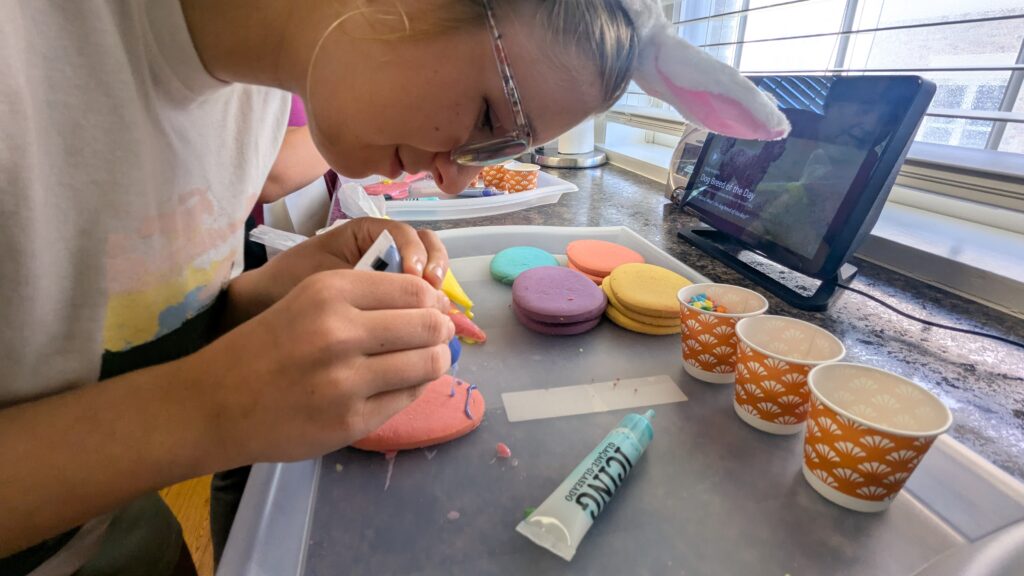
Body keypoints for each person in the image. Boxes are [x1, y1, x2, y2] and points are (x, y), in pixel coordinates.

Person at [0, 0, 787, 574]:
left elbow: (94, 343)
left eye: (509, 147)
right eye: (488, 112)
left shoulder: (253, 103)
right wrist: (211, 409)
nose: (458, 177)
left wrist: (259, 301)